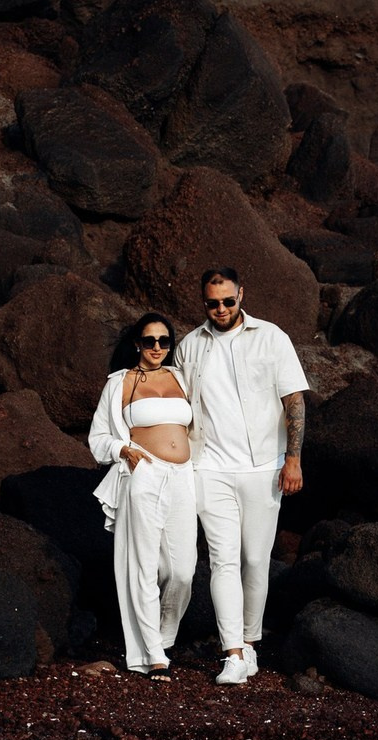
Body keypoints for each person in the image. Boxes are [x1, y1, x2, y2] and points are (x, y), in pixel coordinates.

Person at [174, 267, 309, 685]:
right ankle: (232, 651)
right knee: (222, 560)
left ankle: (250, 643)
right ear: (203, 302)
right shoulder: (189, 347)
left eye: (228, 301)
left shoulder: (272, 338)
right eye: (212, 303)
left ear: (241, 295)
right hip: (209, 469)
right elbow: (176, 411)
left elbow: (294, 401)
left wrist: (293, 459)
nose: (220, 309)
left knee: (255, 560)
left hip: (264, 468)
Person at [88, 312, 196, 680]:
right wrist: (122, 448)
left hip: (183, 476)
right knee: (143, 566)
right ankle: (153, 654)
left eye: (164, 341)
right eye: (149, 341)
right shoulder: (121, 382)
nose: (156, 348)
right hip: (144, 474)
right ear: (137, 343)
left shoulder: (182, 378)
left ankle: (162, 638)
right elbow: (98, 436)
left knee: (183, 570)